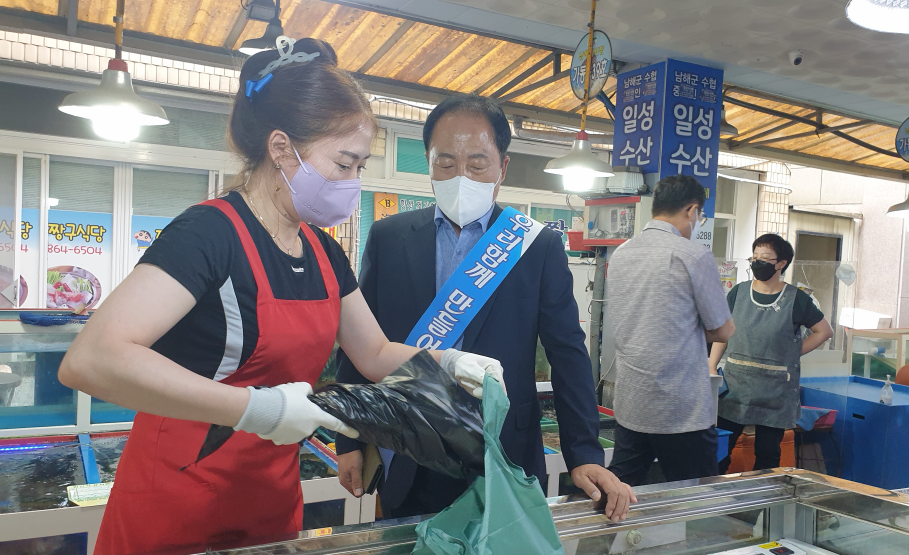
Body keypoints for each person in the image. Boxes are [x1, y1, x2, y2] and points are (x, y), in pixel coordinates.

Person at [57, 38, 502, 555]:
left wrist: (450, 362)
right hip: (178, 501)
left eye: (360, 167)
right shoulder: (210, 234)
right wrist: (256, 409)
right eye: (344, 164)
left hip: (269, 500)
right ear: (281, 148)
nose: (353, 183)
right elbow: (91, 359)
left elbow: (375, 353)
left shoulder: (323, 253)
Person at [335, 93, 635, 522]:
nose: (461, 176)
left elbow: (567, 352)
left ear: (502, 167)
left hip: (501, 455)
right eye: (445, 163)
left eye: (476, 165)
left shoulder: (535, 246)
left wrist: (584, 454)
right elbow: (359, 344)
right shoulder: (389, 238)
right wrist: (348, 440)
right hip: (408, 451)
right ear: (428, 161)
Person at [605, 174, 735, 485]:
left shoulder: (622, 254)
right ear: (692, 210)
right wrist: (684, 328)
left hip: (632, 403)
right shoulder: (692, 254)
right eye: (699, 215)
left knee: (621, 494)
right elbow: (723, 330)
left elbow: (637, 319)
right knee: (697, 501)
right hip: (681, 408)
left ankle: (598, 536)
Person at [709, 234, 833, 473]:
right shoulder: (739, 293)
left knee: (767, 456)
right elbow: (723, 332)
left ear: (781, 263)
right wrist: (712, 365)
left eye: (765, 258)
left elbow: (823, 331)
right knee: (718, 453)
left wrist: (792, 353)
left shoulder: (796, 299)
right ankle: (713, 502)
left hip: (775, 392)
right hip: (736, 388)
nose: (758, 262)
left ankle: (758, 507)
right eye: (754, 257)